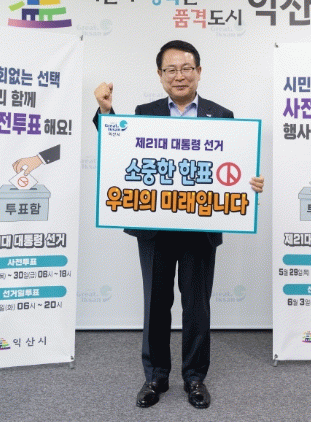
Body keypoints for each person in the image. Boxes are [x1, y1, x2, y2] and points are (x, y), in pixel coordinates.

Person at [92, 40, 264, 409]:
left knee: (197, 307)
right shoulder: (146, 113)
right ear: (160, 75)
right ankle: (155, 376)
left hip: (200, 227)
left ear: (198, 72)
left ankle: (195, 377)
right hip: (154, 227)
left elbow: (233, 166)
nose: (179, 76)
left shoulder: (222, 116)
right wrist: (106, 111)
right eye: (171, 70)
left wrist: (249, 183)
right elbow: (119, 149)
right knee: (156, 305)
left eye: (186, 68)